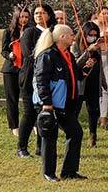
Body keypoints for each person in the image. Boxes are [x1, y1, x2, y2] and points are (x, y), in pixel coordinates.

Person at [32, 23, 85, 182]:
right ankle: (49, 173)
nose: (73, 37)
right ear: (62, 37)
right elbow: (41, 80)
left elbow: (75, 76)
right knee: (49, 137)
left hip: (67, 104)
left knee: (76, 133)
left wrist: (86, 69)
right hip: (51, 104)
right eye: (70, 35)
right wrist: (46, 103)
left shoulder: (69, 55)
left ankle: (69, 171)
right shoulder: (47, 55)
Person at [18, 3, 54, 158]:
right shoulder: (29, 32)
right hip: (30, 77)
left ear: (49, 15)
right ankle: (22, 148)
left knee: (43, 112)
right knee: (29, 114)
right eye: (36, 13)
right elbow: (28, 54)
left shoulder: (53, 32)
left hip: (47, 79)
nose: (39, 15)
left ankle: (41, 147)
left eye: (43, 12)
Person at [71, 21, 105, 148]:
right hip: (80, 82)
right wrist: (87, 52)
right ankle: (73, 134)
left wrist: (104, 84)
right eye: (90, 34)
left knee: (94, 110)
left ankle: (93, 136)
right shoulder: (75, 45)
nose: (93, 37)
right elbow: (75, 65)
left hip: (94, 81)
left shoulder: (98, 46)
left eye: (95, 35)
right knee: (76, 110)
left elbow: (100, 65)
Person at [1, 5, 30, 138]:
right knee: (12, 99)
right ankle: (14, 126)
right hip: (11, 69)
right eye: (22, 17)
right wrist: (10, 55)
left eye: (26, 17)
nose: (24, 19)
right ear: (17, 17)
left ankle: (31, 124)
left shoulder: (31, 31)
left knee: (28, 98)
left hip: (26, 69)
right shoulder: (8, 31)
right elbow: (4, 50)